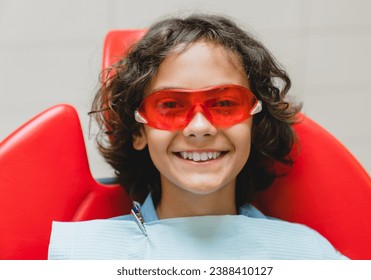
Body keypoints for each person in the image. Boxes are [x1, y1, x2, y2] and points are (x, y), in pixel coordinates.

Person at [48, 14, 347, 259]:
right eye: (170, 105)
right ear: (139, 131)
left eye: (225, 103)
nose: (200, 127)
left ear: (253, 125)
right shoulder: (80, 255)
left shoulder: (308, 255)